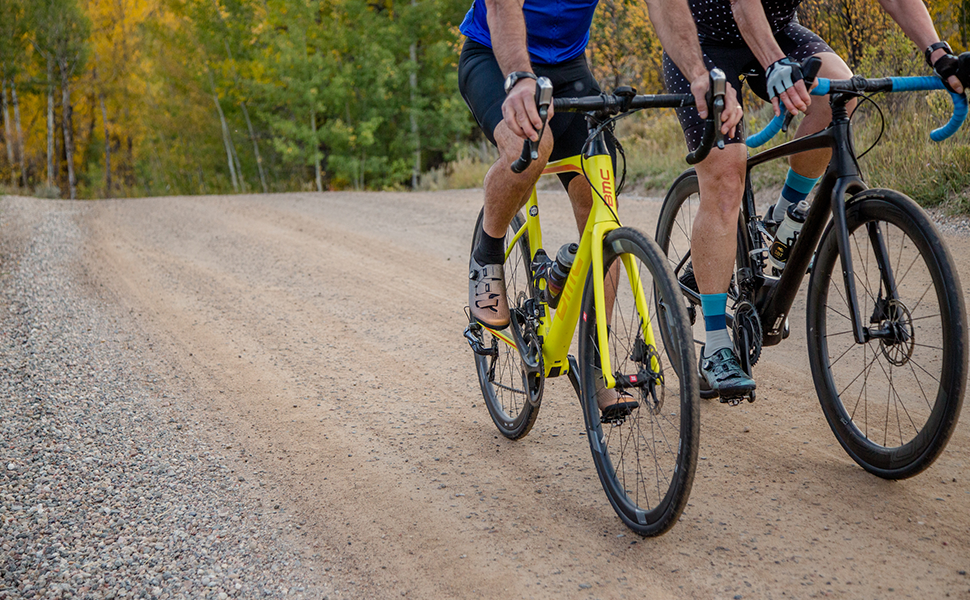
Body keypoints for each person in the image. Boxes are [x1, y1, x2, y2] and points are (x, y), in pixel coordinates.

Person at [663, 0, 970, 400]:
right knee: (725, 179)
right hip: (702, 43)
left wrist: (938, 54)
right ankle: (717, 346)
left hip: (777, 31)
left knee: (842, 89)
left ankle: (783, 218)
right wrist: (774, 63)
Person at [458, 0, 742, 415]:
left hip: (567, 68)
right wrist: (519, 78)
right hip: (496, 59)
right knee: (530, 147)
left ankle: (595, 366)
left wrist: (698, 74)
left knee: (601, 214)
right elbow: (503, 7)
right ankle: (487, 253)